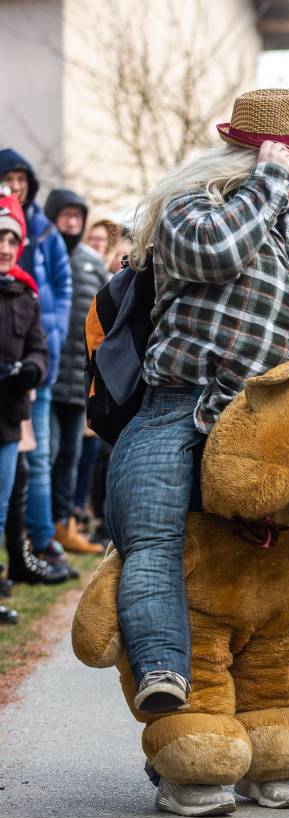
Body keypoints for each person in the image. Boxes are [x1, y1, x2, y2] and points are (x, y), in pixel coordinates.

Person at [104, 91, 289, 815]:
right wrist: (268, 182)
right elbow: (215, 254)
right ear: (261, 157)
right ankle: (166, 673)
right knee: (150, 532)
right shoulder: (192, 214)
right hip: (191, 408)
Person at [0, 150, 74, 579]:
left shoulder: (43, 230)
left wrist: (48, 343)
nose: (16, 185)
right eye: (8, 179)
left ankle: (40, 541)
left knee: (37, 455)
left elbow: (62, 288)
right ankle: (18, 550)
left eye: (21, 178)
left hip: (34, 357)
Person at [43, 189, 106, 554]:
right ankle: (35, 527)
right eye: (65, 215)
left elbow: (103, 322)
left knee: (70, 457)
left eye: (77, 216)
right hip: (44, 377)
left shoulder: (91, 263)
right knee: (45, 456)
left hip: (76, 381)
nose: (71, 223)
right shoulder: (41, 254)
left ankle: (62, 524)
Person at [0, 192, 50, 606]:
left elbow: (39, 347)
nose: (4, 247)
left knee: (1, 508)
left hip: (9, 418)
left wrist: (32, 368)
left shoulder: (26, 294)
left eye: (11, 240)